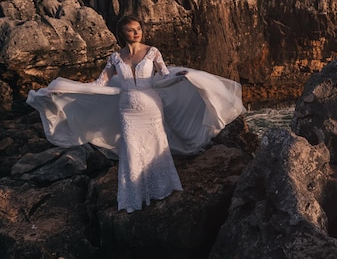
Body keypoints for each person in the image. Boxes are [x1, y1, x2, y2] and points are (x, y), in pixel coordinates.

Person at [27, 15, 245, 212]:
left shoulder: (153, 52)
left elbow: (163, 77)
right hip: (127, 111)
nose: (137, 32)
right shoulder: (115, 58)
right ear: (122, 33)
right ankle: (134, 197)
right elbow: (99, 84)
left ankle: (161, 188)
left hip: (151, 109)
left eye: (138, 28)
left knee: (156, 146)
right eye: (131, 29)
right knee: (132, 150)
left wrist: (182, 77)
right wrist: (65, 89)